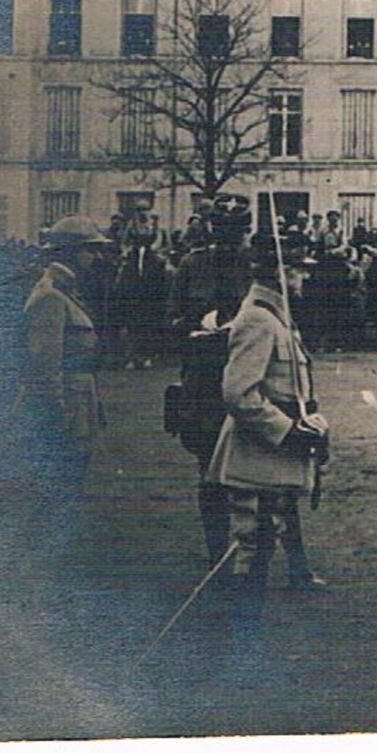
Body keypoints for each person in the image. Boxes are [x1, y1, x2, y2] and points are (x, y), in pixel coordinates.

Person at [208, 230, 332, 661]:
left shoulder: (275, 316)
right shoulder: (259, 319)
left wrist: (309, 425)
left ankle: (247, 643)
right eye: (298, 270)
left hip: (270, 457)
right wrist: (287, 431)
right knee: (253, 546)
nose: (304, 279)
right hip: (256, 456)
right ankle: (243, 649)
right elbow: (239, 393)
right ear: (281, 274)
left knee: (260, 543)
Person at [16, 215, 115, 558]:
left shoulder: (64, 292)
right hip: (65, 411)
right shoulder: (51, 297)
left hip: (77, 405)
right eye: (91, 251)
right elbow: (45, 367)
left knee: (67, 487)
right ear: (71, 252)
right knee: (58, 489)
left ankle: (54, 557)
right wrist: (56, 417)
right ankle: (46, 565)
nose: (98, 258)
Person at [165, 192, 255, 564]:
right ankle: (217, 553)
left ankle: (280, 559)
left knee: (264, 473)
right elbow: (172, 318)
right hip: (203, 382)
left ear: (245, 232)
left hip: (250, 379)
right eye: (220, 230)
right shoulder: (191, 264)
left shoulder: (257, 266)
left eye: (234, 232)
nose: (226, 240)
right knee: (209, 471)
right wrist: (194, 329)